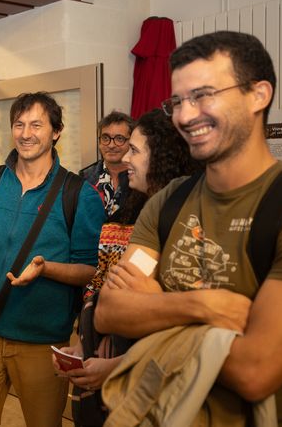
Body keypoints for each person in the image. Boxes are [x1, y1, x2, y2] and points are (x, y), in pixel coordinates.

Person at [95, 31, 282, 425]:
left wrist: (156, 306)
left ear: (259, 95)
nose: (185, 115)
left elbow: (256, 371)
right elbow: (110, 312)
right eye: (178, 102)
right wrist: (206, 307)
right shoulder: (170, 200)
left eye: (204, 95)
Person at [0, 92, 105, 427]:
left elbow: (86, 270)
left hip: (42, 342)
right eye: (19, 124)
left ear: (56, 132)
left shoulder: (78, 194)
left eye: (36, 124)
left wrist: (45, 268)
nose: (26, 133)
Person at [55, 108, 202, 426]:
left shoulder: (187, 225)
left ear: (162, 156)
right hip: (111, 347)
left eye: (133, 149)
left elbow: (188, 330)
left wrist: (120, 364)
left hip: (157, 380)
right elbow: (105, 289)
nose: (126, 158)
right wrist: (85, 334)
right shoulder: (131, 209)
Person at [79, 111, 135, 217]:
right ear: (99, 142)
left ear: (131, 142)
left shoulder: (141, 178)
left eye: (119, 139)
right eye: (105, 138)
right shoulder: (85, 178)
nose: (111, 145)